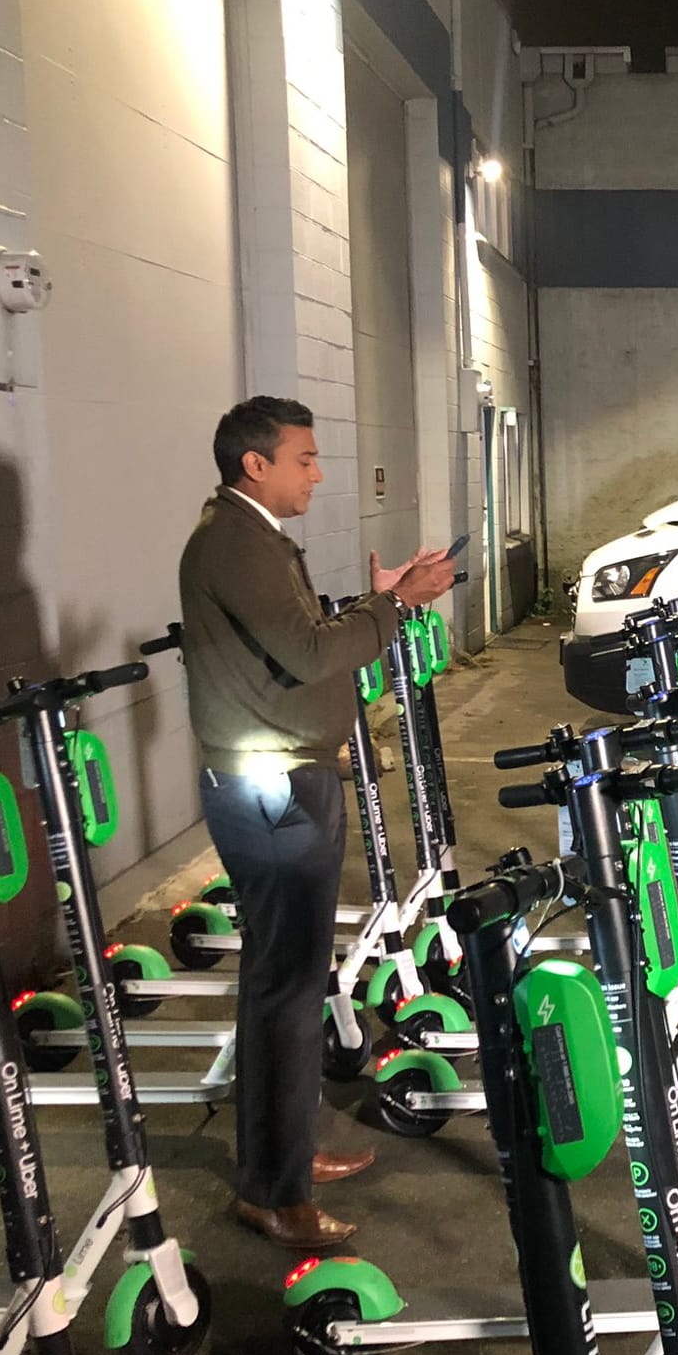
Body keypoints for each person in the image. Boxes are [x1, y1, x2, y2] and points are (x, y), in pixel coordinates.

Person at [179, 395, 454, 1249]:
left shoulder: (252, 538)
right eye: (303, 457)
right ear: (254, 464)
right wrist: (399, 606)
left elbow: (294, 639)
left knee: (286, 987)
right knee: (287, 992)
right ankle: (273, 1190)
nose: (318, 472)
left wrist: (366, 604)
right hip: (273, 795)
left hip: (284, 783)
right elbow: (306, 655)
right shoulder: (234, 541)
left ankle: (285, 1157)